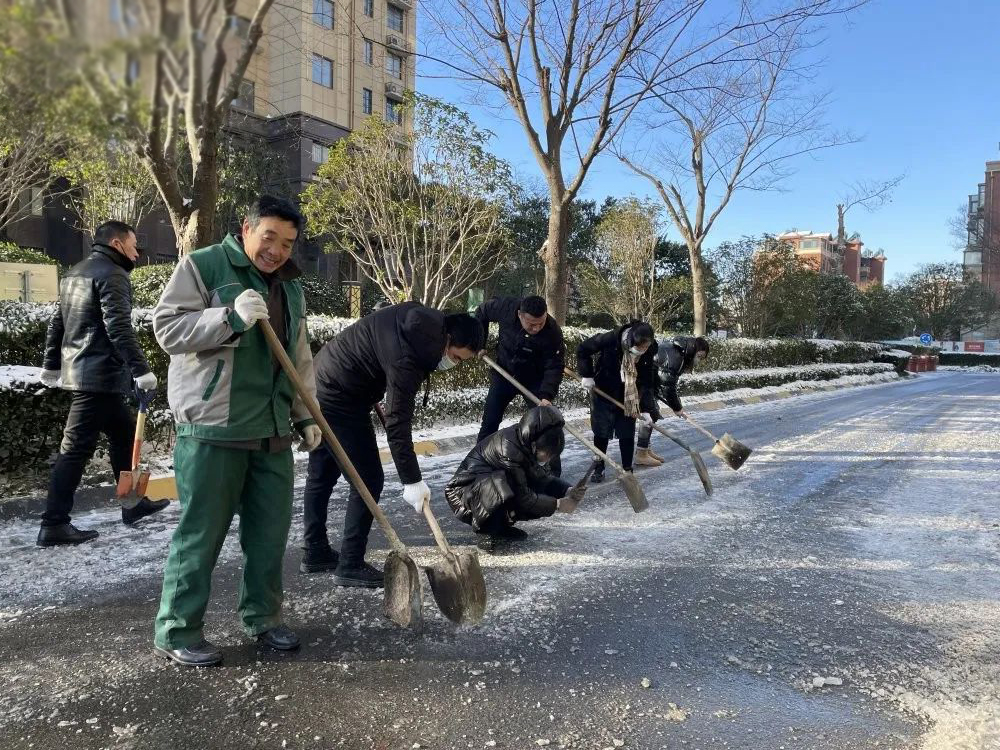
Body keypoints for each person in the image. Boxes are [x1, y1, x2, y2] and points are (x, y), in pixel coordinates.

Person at [150, 196, 321, 667]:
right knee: (200, 535)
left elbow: (298, 356)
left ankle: (264, 618)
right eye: (269, 237)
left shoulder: (290, 286)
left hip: (271, 431)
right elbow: (167, 329)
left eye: (287, 243)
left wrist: (306, 414)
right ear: (246, 228)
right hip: (212, 430)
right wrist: (228, 318)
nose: (277, 251)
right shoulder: (204, 266)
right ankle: (177, 629)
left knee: (269, 536)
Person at [300, 302, 484, 585]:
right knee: (368, 478)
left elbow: (375, 352)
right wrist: (412, 480)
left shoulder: (420, 325)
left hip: (322, 381)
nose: (453, 365)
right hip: (339, 396)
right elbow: (398, 422)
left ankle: (315, 552)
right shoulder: (409, 356)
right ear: (448, 340)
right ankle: (350, 564)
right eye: (457, 358)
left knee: (322, 472)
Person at [37, 221, 167, 547]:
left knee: (124, 436)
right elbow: (118, 327)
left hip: (92, 377)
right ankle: (53, 523)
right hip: (97, 378)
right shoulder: (113, 275)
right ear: (117, 243)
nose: (137, 253)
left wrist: (52, 364)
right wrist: (141, 369)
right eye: (134, 246)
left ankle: (133, 504)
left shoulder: (74, 272)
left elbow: (58, 322)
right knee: (73, 451)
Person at [445, 405, 585, 543]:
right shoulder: (508, 449)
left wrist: (568, 490)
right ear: (535, 445)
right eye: (547, 455)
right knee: (505, 483)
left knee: (531, 483)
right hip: (464, 493)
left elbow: (542, 479)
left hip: (481, 490)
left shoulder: (526, 441)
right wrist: (558, 504)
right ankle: (489, 530)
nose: (548, 460)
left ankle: (501, 527)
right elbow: (523, 497)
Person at [474, 295, 564, 472]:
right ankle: (478, 465)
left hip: (534, 380)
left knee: (545, 425)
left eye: (540, 323)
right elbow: (481, 312)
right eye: (531, 324)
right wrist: (479, 342)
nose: (536, 328)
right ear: (520, 315)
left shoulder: (552, 331)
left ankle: (553, 474)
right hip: (504, 374)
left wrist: (546, 395)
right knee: (490, 421)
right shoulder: (505, 306)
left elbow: (554, 366)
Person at [576, 321, 658, 483]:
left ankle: (627, 470)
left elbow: (648, 380)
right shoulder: (610, 339)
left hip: (629, 395)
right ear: (629, 341)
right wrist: (587, 374)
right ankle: (598, 467)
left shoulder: (650, 349)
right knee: (601, 431)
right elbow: (583, 349)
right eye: (639, 347)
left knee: (626, 432)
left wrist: (647, 408)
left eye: (645, 347)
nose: (642, 351)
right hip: (603, 391)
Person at [635, 336, 711, 465]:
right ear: (694, 350)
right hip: (639, 381)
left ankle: (644, 450)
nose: (699, 360)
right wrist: (677, 408)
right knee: (650, 413)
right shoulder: (676, 357)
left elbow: (664, 381)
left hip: (647, 381)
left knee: (652, 413)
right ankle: (641, 454)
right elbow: (668, 386)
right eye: (700, 356)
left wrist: (676, 406)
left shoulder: (679, 352)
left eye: (702, 358)